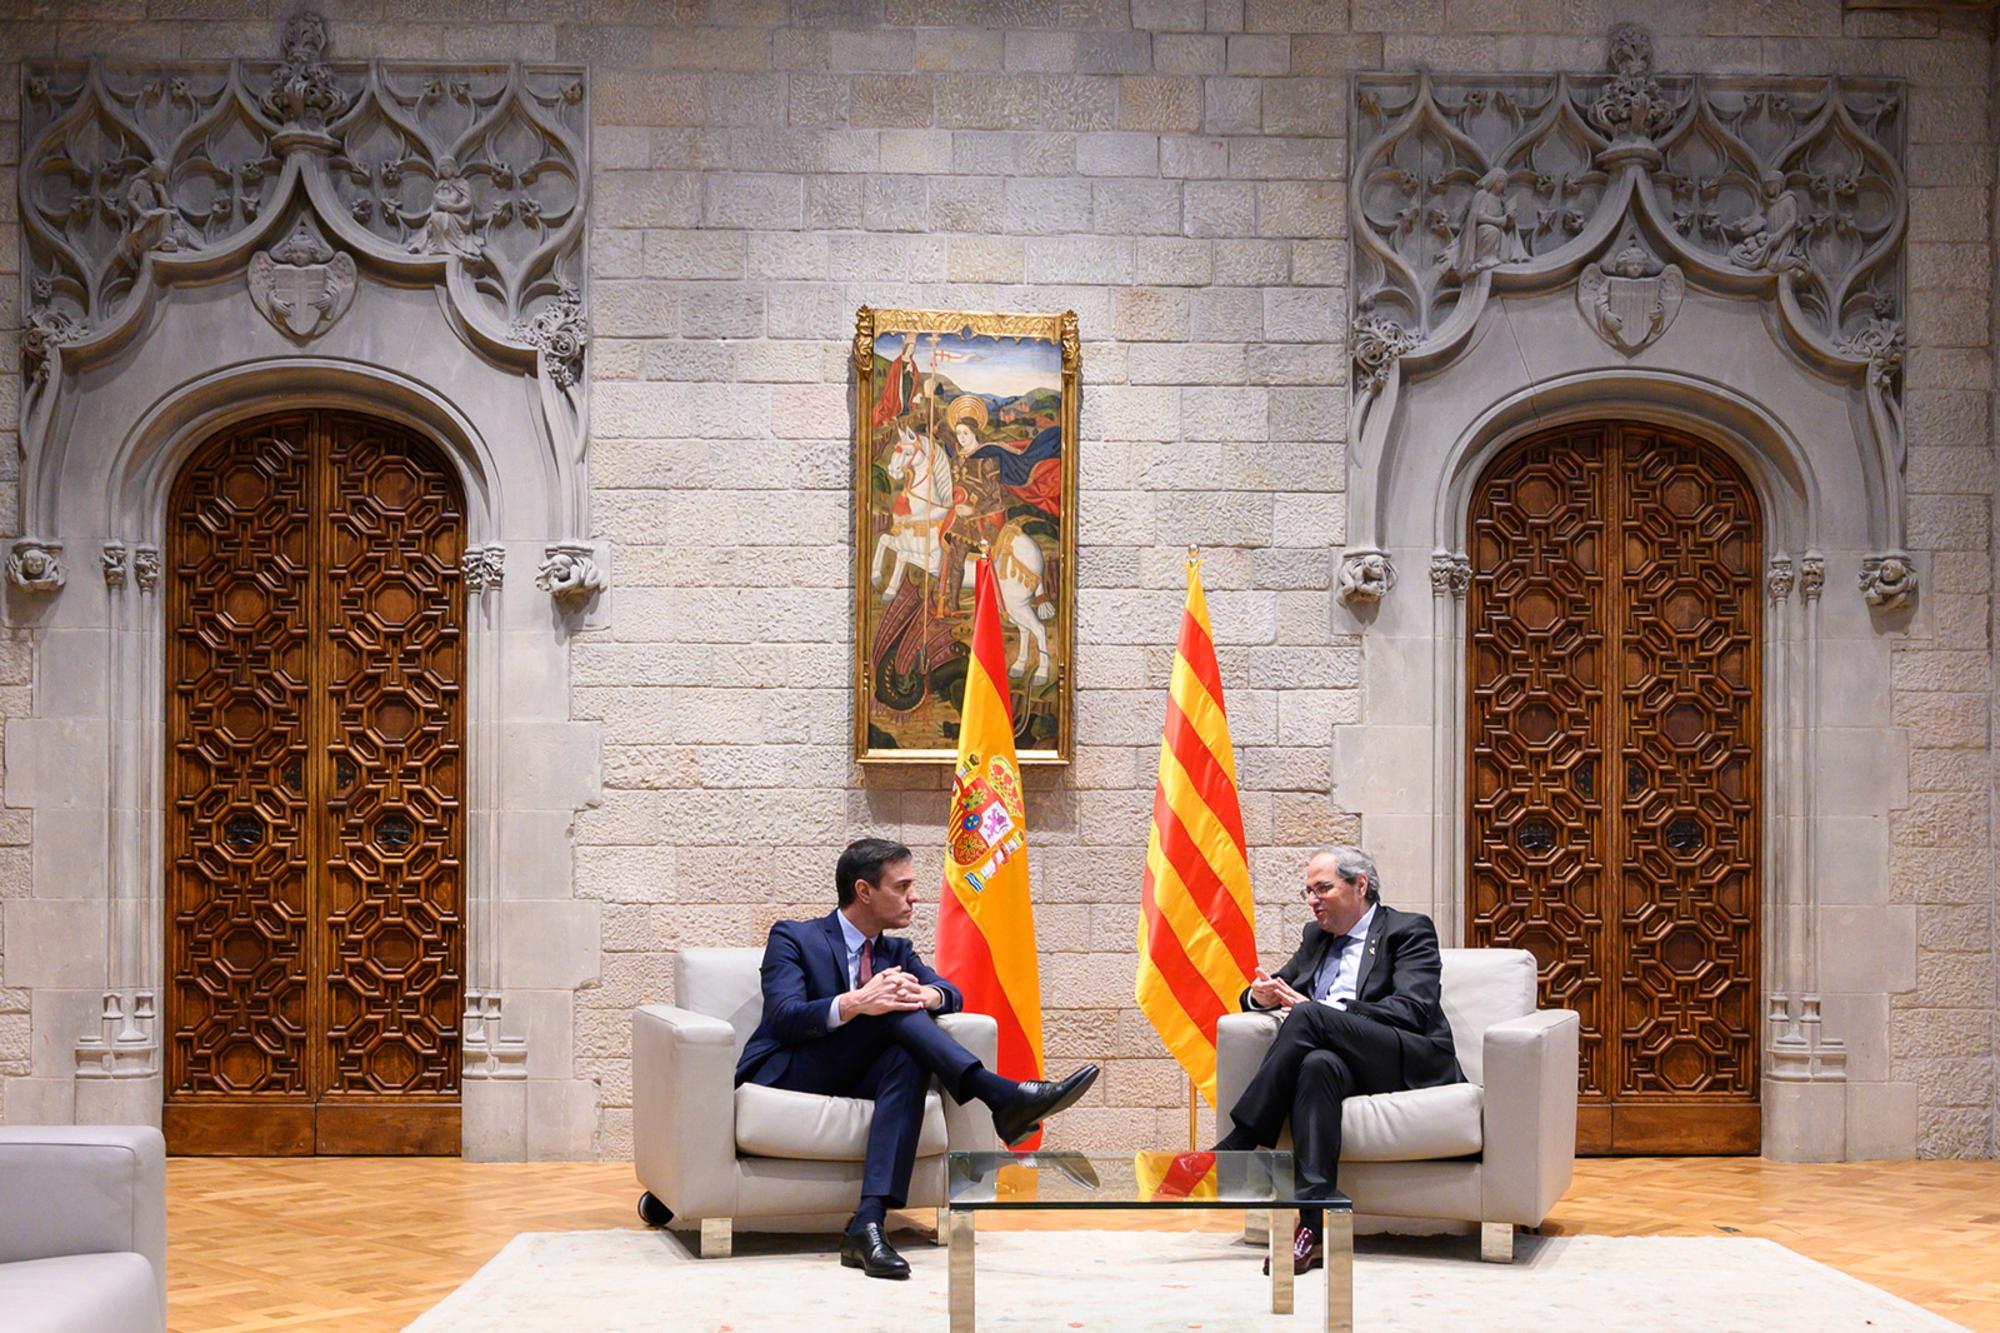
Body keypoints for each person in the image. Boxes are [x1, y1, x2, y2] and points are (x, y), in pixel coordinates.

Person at [735, 837, 1099, 1280]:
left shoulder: (897, 951)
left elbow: (952, 993)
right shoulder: (794, 936)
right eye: (902, 886)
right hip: (790, 1070)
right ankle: (1001, 1096)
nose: (915, 896)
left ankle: (868, 1222)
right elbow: (785, 1017)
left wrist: (926, 993)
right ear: (864, 891)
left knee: (907, 1054)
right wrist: (857, 1002)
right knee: (889, 1013)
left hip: (859, 1070)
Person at [1210, 847, 1463, 1276]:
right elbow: (1270, 987)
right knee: (1316, 1067)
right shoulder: (1316, 938)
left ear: (1360, 885)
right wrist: (1260, 996)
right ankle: (1311, 1230)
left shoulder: (1408, 930)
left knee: (1310, 1015)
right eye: (1308, 891)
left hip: (1403, 1056)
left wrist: (1331, 1012)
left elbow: (1414, 1008)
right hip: (1341, 1063)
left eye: (1323, 888)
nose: (1313, 900)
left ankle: (1245, 1138)